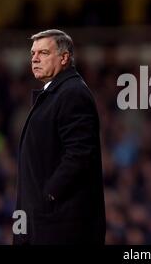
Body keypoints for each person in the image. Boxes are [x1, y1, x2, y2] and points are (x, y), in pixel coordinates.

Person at [13, 29, 106, 244]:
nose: (35, 58)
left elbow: (80, 154)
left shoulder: (72, 93)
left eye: (43, 53)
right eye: (33, 53)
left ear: (64, 58)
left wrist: (48, 196)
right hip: (43, 221)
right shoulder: (56, 93)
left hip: (59, 225)